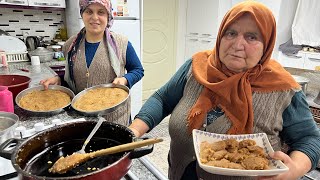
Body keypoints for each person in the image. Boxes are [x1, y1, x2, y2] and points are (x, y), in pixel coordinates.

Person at [129, 1, 320, 180]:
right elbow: (162, 99)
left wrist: (295, 169)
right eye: (231, 33)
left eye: (251, 37)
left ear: (267, 44)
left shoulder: (283, 88)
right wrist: (133, 131)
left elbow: (310, 138)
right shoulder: (196, 67)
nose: (237, 45)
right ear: (220, 36)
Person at [41, 0, 144, 126]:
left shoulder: (122, 44)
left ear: (108, 16)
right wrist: (59, 79)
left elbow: (138, 70)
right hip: (82, 117)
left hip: (114, 118)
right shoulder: (70, 45)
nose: (94, 17)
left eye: (101, 12)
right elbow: (74, 76)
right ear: (82, 14)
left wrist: (125, 79)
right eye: (89, 11)